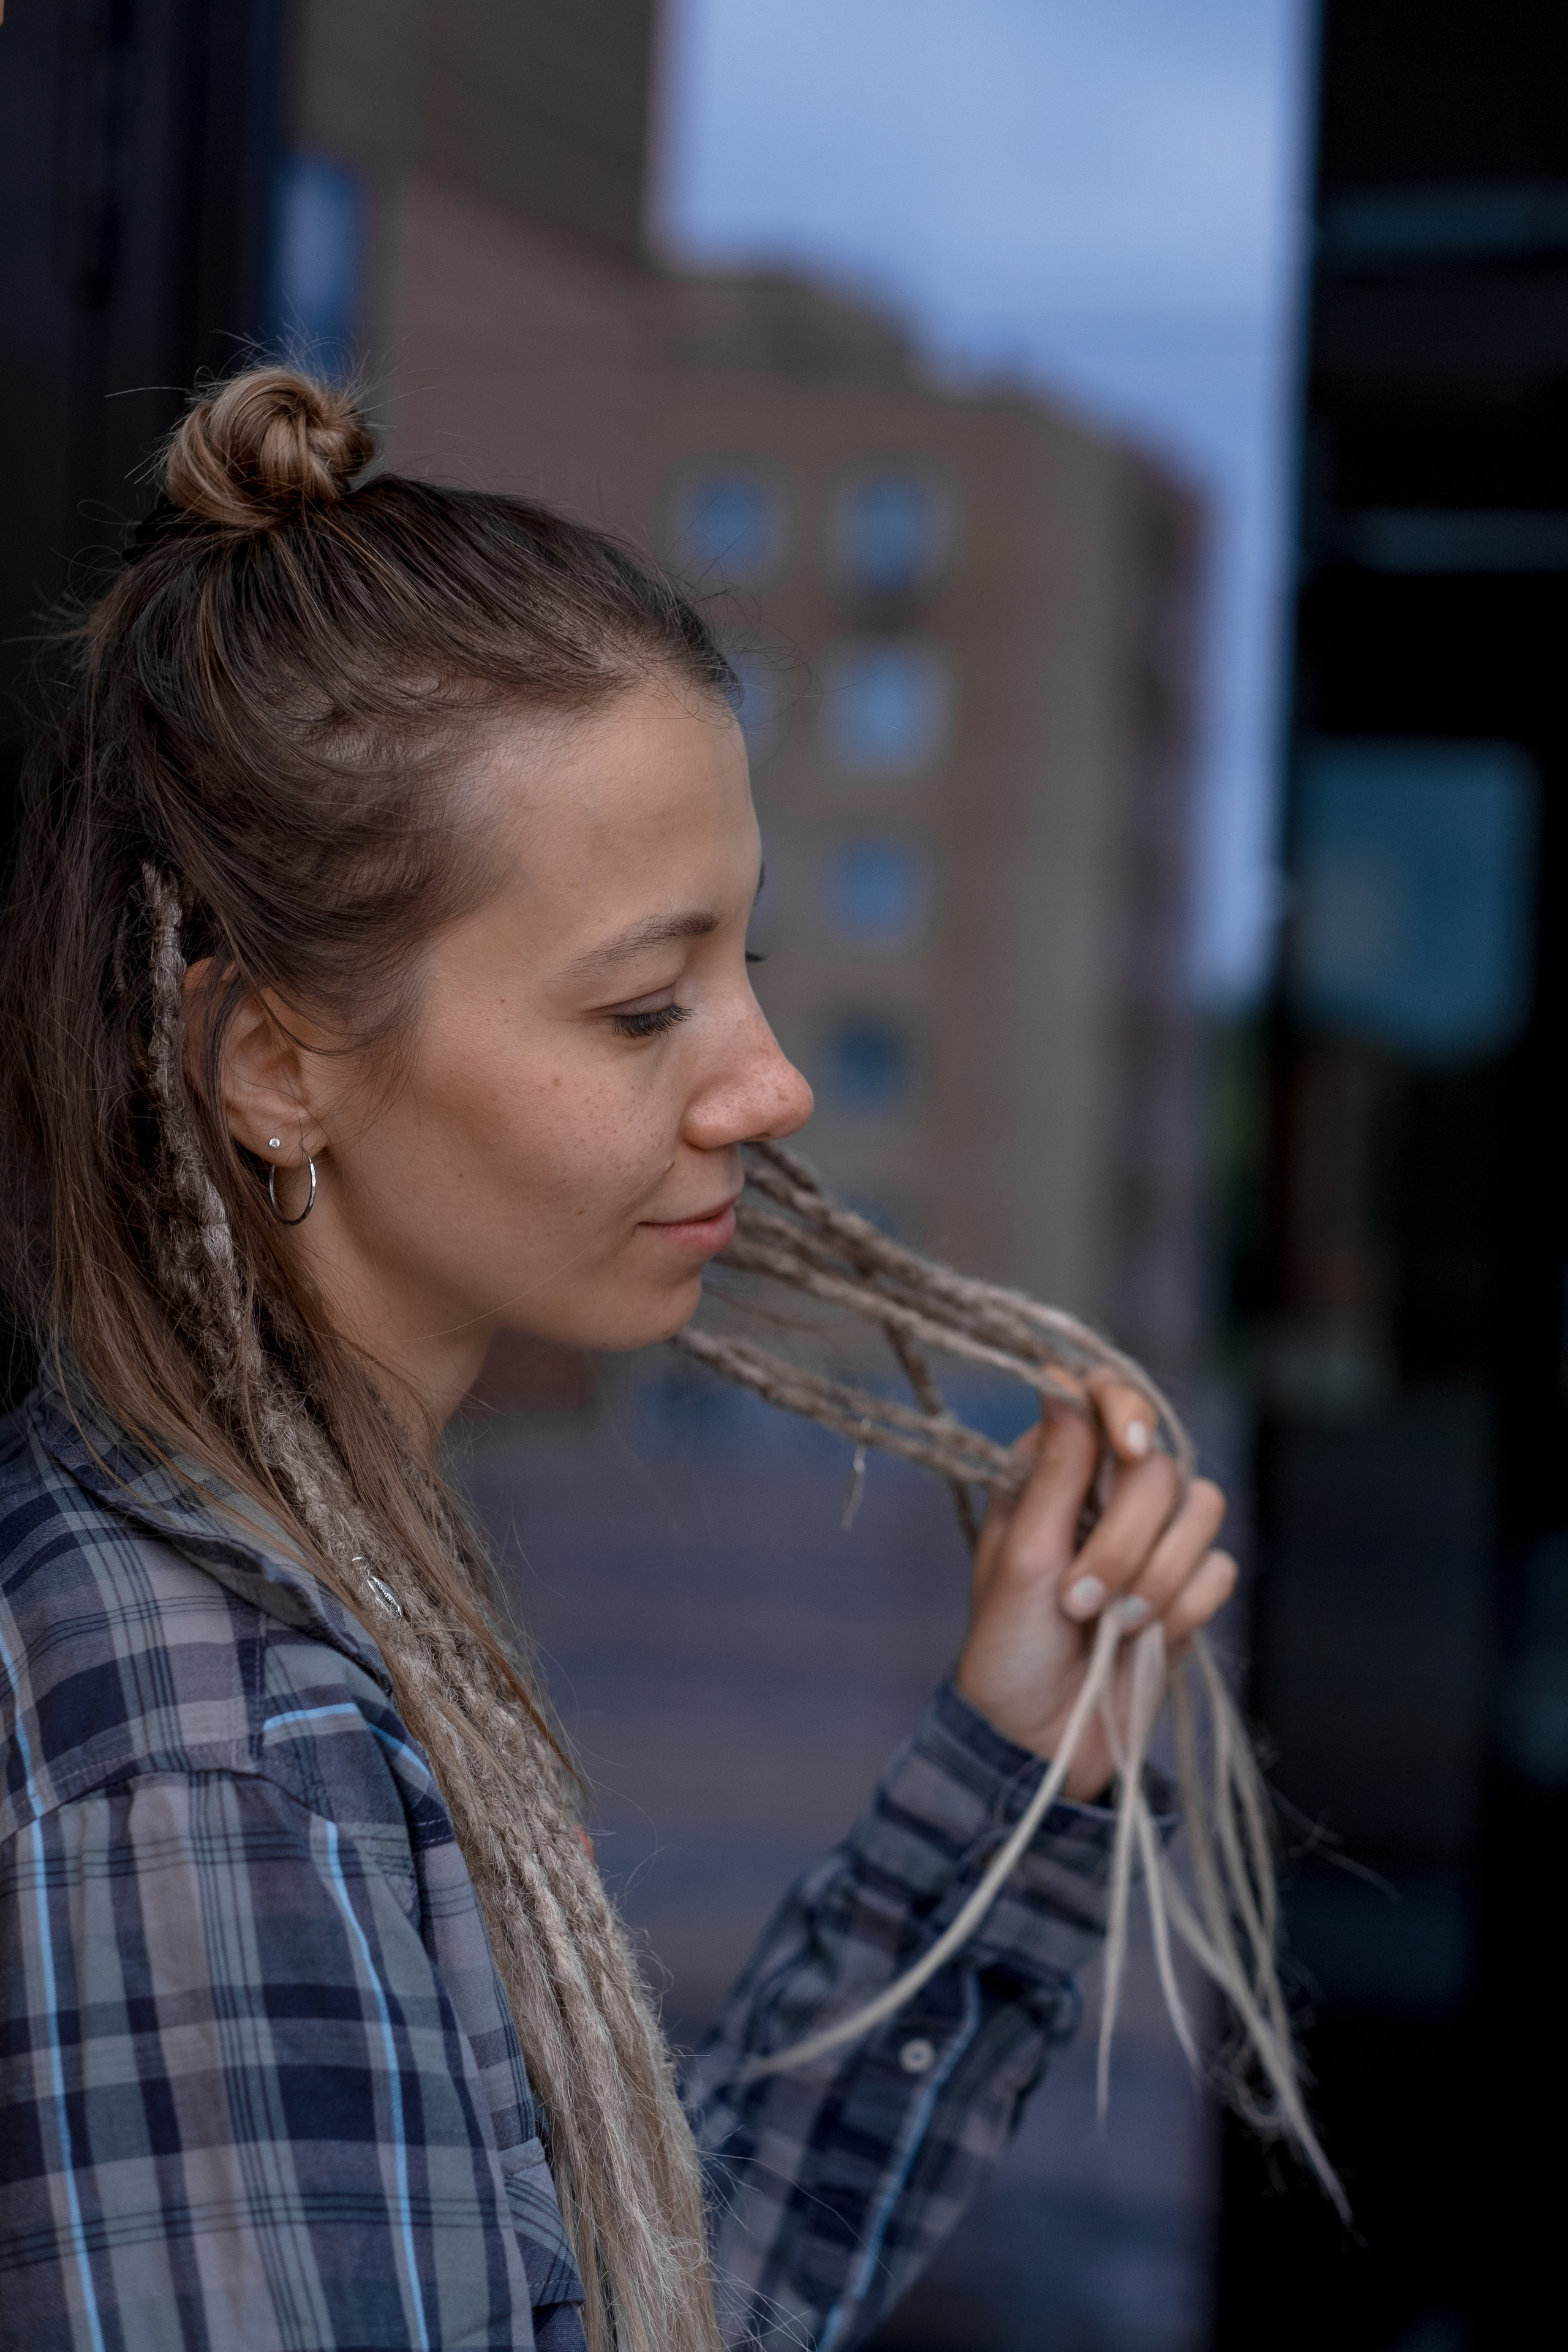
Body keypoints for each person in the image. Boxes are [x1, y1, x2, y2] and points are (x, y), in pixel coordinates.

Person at [0, 368, 1234, 2352]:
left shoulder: (316, 1603)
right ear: (275, 1069)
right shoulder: (211, 1769)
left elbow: (621, 2308)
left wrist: (1009, 1780)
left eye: (748, 962)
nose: (773, 1082)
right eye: (645, 1007)